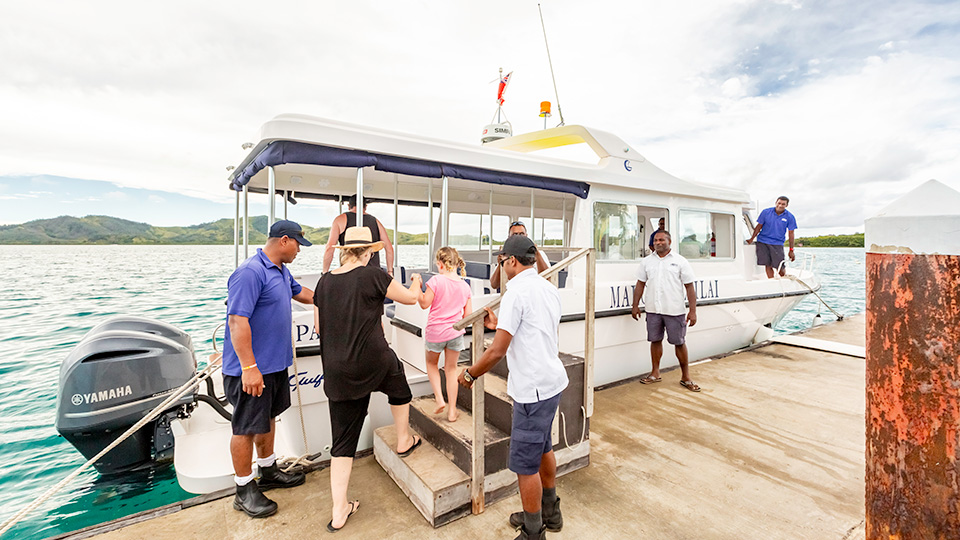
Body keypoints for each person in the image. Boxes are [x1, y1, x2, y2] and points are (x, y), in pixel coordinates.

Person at [312, 226, 424, 532]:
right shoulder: (372, 276)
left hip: (337, 370)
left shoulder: (323, 283)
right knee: (398, 385)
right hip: (375, 360)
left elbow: (320, 328)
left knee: (343, 444)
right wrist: (415, 280)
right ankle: (403, 439)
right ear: (370, 251)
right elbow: (412, 298)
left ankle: (339, 511)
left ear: (343, 251)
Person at [458, 235, 568, 540]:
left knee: (524, 465)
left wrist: (469, 374)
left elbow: (496, 352)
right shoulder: (547, 287)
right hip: (552, 382)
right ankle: (550, 511)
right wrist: (500, 324)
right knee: (543, 446)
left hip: (533, 390)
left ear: (511, 262)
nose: (502, 265)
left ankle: (534, 531)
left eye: (502, 260)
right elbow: (534, 328)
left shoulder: (516, 294)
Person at [222, 220, 315, 518]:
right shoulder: (250, 272)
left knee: (269, 418)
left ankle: (268, 471)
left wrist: (337, 293)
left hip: (275, 367)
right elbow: (237, 321)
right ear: (284, 241)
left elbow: (303, 293)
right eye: (298, 243)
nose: (300, 249)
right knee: (247, 427)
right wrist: (249, 367)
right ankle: (243, 489)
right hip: (251, 370)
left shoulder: (281, 270)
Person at [630, 230, 700, 392]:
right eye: (655, 240)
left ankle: (686, 377)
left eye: (661, 240)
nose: (658, 243)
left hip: (674, 310)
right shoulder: (647, 262)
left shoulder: (680, 261)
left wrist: (693, 311)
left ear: (669, 241)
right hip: (653, 309)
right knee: (655, 340)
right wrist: (635, 306)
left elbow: (689, 287)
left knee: (679, 342)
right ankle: (655, 373)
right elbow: (640, 284)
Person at [418, 246, 473, 423]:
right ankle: (452, 411)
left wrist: (418, 287)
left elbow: (424, 304)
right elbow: (468, 317)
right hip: (455, 333)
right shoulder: (465, 287)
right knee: (451, 370)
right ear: (457, 264)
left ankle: (440, 399)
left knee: (431, 364)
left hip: (435, 332)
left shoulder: (435, 281)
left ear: (440, 264)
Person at [322, 195, 395, 275]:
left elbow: (329, 248)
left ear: (349, 206)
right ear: (365, 206)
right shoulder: (376, 222)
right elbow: (389, 248)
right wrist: (390, 271)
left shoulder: (340, 220)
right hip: (373, 273)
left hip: (349, 272)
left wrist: (325, 272)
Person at [747, 196, 797, 278]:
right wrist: (751, 239)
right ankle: (771, 280)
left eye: (783, 204)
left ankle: (783, 279)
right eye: (779, 203)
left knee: (779, 266)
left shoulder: (790, 217)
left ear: (786, 205)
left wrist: (791, 250)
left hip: (777, 243)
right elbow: (758, 226)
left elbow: (791, 234)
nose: (780, 205)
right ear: (776, 203)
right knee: (767, 264)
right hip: (763, 241)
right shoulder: (766, 212)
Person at [490, 221, 549, 290]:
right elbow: (494, 285)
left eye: (521, 234)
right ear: (509, 237)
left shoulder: (539, 254)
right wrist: (502, 263)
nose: (518, 237)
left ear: (526, 236)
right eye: (515, 235)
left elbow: (547, 278)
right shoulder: (506, 256)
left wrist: (536, 254)